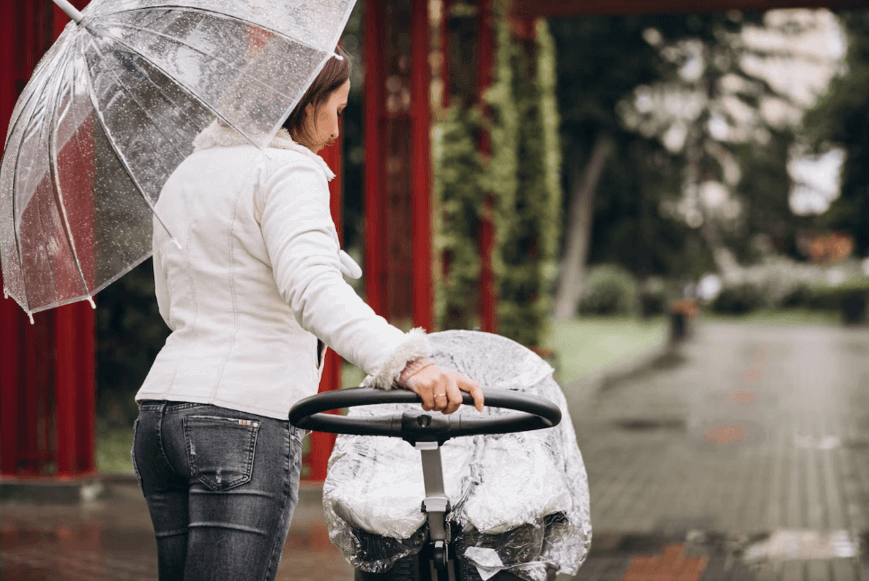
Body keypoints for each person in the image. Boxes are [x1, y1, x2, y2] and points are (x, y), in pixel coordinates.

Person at [132, 47, 484, 581]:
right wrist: (408, 363)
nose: (338, 132)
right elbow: (313, 289)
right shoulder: (287, 170)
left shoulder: (188, 173)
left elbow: (171, 300)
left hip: (162, 415)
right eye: (337, 111)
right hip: (241, 417)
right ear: (303, 100)